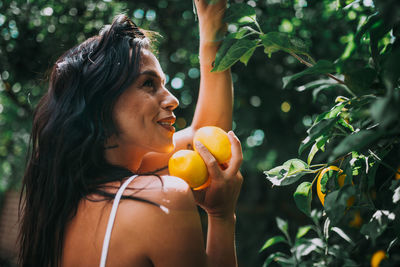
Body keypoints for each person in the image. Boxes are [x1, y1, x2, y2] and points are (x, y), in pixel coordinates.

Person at [18, 0, 243, 266]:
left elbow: (205, 136)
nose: (173, 100)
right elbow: (205, 135)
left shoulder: (56, 208)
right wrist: (221, 217)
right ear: (101, 103)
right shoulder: (162, 197)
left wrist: (211, 29)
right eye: (149, 83)